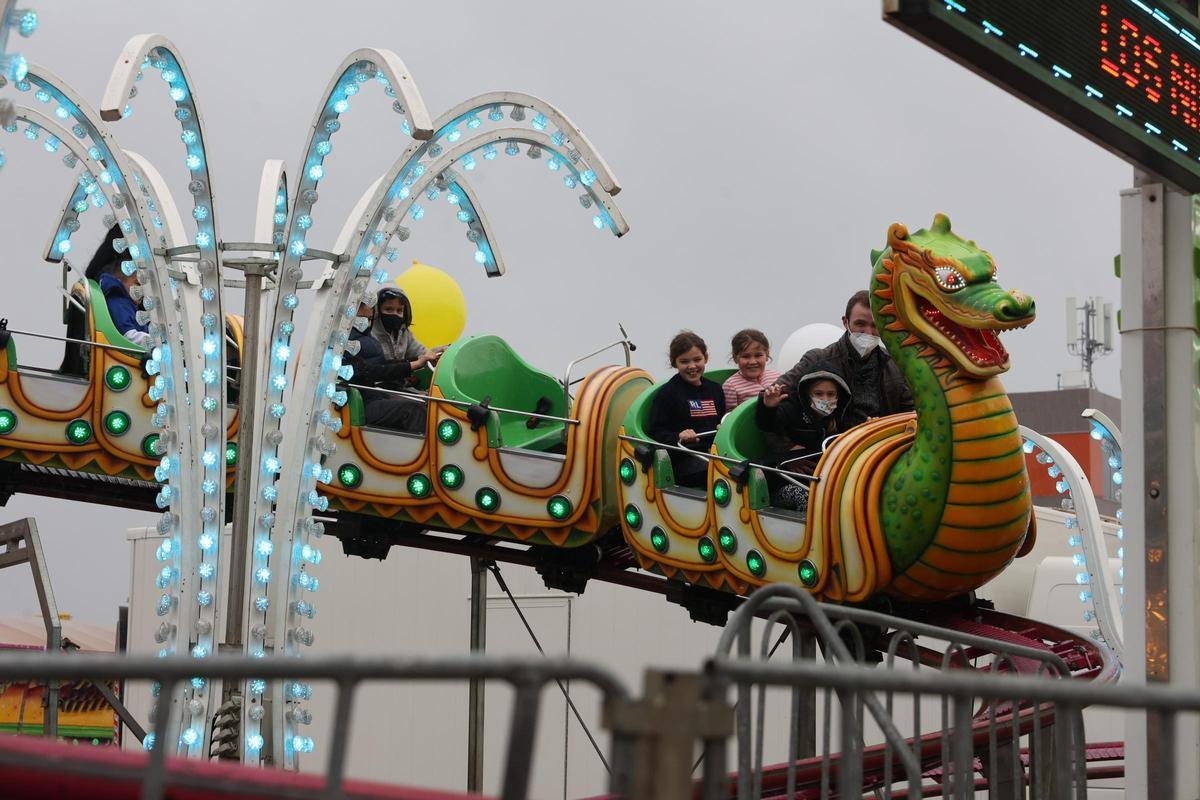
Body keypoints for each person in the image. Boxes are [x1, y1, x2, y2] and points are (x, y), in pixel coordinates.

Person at [775, 290, 912, 429]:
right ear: (845, 322)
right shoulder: (816, 360)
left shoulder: (896, 364)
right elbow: (772, 399)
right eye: (860, 324)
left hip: (883, 443)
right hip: (831, 447)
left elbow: (913, 411)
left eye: (874, 325)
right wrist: (789, 448)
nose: (868, 332)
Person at [756, 369, 850, 511]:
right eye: (818, 394)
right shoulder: (793, 411)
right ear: (808, 395)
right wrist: (769, 407)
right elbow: (767, 424)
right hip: (784, 482)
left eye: (831, 394)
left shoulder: (839, 418)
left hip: (820, 482)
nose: (825, 399)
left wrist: (870, 425)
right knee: (811, 501)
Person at [647, 331, 726, 488]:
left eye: (697, 359)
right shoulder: (667, 393)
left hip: (714, 453)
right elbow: (656, 433)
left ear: (706, 358)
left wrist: (723, 428)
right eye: (684, 362)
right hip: (684, 458)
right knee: (723, 472)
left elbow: (720, 421)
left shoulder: (715, 390)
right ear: (674, 363)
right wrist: (679, 435)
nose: (692, 366)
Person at [85, 226, 151, 348]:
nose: (142, 291)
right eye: (138, 284)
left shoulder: (130, 304)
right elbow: (128, 335)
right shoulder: (118, 302)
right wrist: (156, 343)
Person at [722, 328, 781, 410]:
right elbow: (730, 417)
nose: (752, 362)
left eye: (758, 355)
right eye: (746, 356)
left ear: (767, 355)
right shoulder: (731, 386)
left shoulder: (778, 377)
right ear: (735, 358)